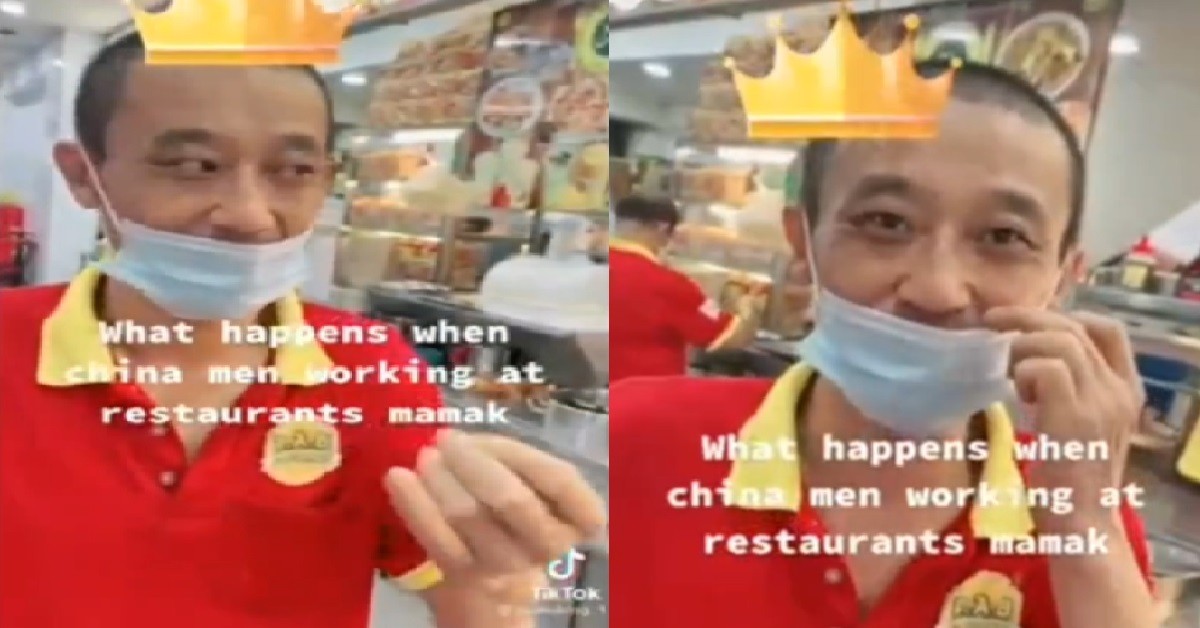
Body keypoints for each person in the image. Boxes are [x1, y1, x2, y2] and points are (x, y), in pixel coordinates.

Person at [0, 34, 605, 628]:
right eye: (192, 167)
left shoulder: (371, 372)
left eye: (293, 170)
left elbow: (464, 597)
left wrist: (497, 591)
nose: (249, 215)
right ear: (83, 176)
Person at [611, 60, 1156, 627]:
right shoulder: (638, 437)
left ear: (1063, 279)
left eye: (1004, 236)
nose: (937, 290)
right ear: (803, 243)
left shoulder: (1083, 508)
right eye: (886, 222)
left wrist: (1086, 526)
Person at [609, 194, 762, 381]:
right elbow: (731, 336)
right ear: (663, 227)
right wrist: (748, 302)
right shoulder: (669, 284)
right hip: (648, 393)